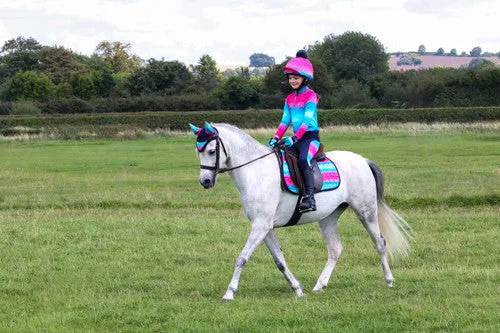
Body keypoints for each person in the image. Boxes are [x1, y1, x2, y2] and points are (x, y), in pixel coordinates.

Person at [268, 50, 320, 213]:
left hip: (309, 138)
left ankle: (310, 198)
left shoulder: (311, 96)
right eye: (290, 78)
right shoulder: (289, 99)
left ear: (305, 78)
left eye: (296, 78)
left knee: (304, 160)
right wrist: (275, 137)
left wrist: (296, 137)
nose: (292, 81)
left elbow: (306, 121)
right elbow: (285, 122)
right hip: (295, 139)